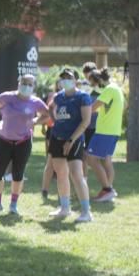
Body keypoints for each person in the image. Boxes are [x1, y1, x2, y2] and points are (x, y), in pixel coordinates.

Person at [0, 74, 49, 214]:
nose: (26, 86)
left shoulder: (35, 102)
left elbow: (47, 114)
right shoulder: (7, 97)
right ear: (18, 83)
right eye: (24, 83)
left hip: (23, 142)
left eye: (30, 84)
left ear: (33, 87)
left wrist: (36, 121)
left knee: (18, 174)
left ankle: (13, 205)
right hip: (4, 140)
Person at [46, 67, 93, 221]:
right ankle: (65, 208)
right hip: (57, 138)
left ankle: (86, 212)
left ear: (75, 80)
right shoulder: (59, 97)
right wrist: (53, 120)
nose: (65, 80)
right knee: (60, 173)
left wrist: (71, 140)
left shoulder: (83, 97)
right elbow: (51, 109)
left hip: (75, 140)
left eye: (69, 78)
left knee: (76, 174)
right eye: (63, 78)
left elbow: (86, 121)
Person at [85, 67, 124, 202]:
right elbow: (108, 109)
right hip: (113, 131)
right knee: (106, 161)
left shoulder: (108, 90)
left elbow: (92, 107)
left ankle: (107, 189)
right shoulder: (117, 89)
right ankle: (108, 191)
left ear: (100, 79)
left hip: (104, 132)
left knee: (90, 158)